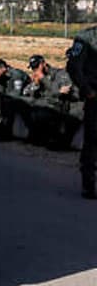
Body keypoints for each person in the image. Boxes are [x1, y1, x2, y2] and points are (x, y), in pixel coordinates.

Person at [23, 54, 80, 149]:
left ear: (43, 64)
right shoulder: (37, 76)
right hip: (45, 103)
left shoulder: (60, 74)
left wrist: (43, 79)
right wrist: (35, 85)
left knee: (45, 110)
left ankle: (50, 139)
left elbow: (58, 92)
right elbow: (26, 92)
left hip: (58, 105)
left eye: (37, 67)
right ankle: (35, 137)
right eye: (33, 68)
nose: (35, 70)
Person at [66, 25, 97, 199]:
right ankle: (89, 184)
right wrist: (87, 90)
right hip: (95, 97)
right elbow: (73, 66)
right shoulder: (86, 37)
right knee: (92, 142)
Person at [0, 59, 29, 140]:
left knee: (9, 105)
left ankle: (7, 133)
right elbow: (0, 92)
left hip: (25, 98)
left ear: (3, 69)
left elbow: (16, 94)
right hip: (10, 97)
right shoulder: (2, 77)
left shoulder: (16, 75)